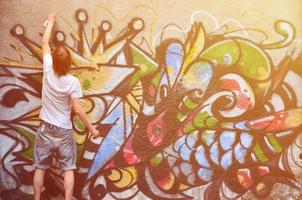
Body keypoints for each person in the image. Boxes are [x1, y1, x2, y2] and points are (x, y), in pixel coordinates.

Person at [33, 13, 99, 200]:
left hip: (45, 127)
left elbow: (45, 43)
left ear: (53, 61)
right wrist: (92, 129)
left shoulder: (47, 70)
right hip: (63, 130)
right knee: (68, 168)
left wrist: (51, 21)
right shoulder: (72, 82)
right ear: (69, 64)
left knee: (40, 168)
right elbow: (77, 110)